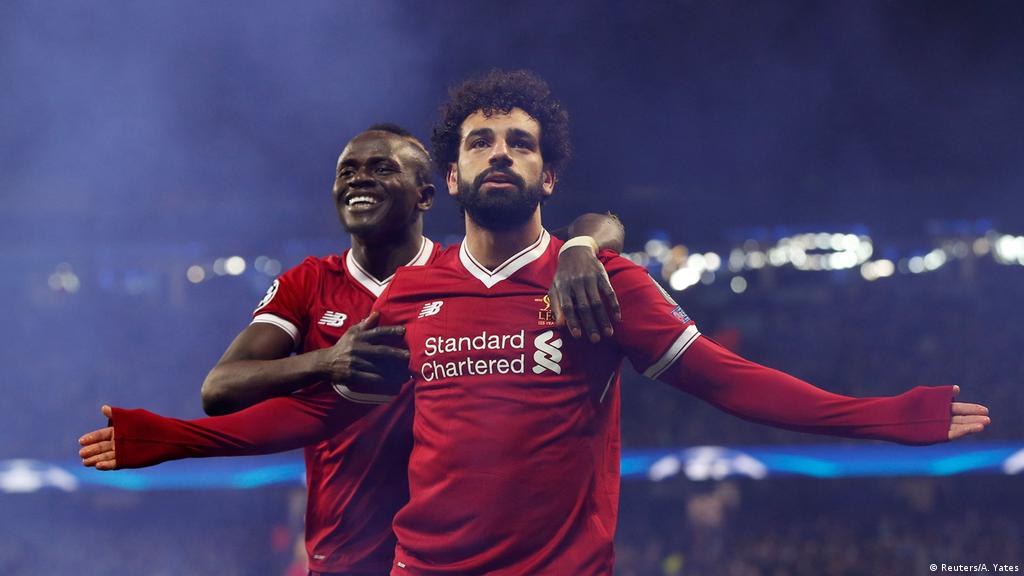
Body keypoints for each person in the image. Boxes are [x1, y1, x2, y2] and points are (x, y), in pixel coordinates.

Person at [82, 71, 991, 575]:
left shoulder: (603, 283)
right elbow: (321, 415)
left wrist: (884, 415)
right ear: (451, 175)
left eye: (520, 143)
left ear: (548, 175)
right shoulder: (411, 295)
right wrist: (168, 438)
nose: (500, 154)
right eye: (480, 141)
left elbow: (730, 382)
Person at [79, 122, 625, 576]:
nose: (360, 179)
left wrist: (579, 247)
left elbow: (604, 223)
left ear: (426, 195)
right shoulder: (310, 283)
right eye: (347, 171)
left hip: (450, 553)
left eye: (382, 168)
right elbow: (222, 389)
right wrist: (326, 361)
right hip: (343, 552)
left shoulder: (457, 278)